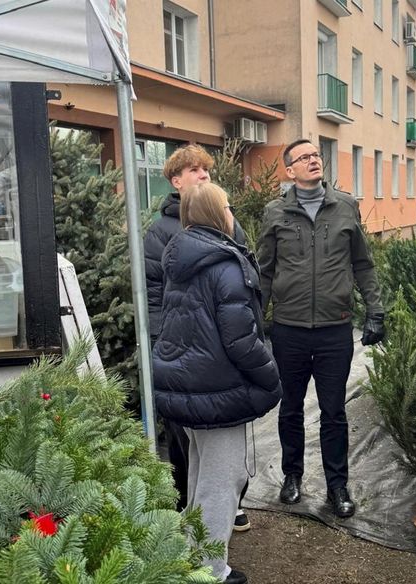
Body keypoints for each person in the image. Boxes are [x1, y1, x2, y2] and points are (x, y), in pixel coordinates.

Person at [152, 183, 282, 584]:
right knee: (222, 481)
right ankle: (210, 571)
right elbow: (241, 340)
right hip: (217, 392)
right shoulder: (225, 264)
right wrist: (270, 378)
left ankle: (193, 554)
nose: (232, 211)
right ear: (216, 212)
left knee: (199, 475)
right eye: (228, 205)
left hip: (185, 387)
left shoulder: (180, 256)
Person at [257, 139, 385, 519]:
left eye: (316, 155)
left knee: (333, 412)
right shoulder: (275, 212)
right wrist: (254, 319)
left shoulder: (345, 206)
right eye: (304, 157)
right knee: (290, 408)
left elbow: (363, 264)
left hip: (334, 329)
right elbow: (265, 270)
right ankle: (291, 476)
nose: (314, 160)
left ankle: (337, 485)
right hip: (289, 329)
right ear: (289, 170)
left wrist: (375, 310)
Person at [143, 144, 250, 531]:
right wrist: (164, 344)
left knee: (222, 440)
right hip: (182, 351)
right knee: (185, 439)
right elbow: (153, 294)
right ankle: (190, 513)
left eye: (206, 170)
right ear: (176, 180)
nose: (204, 175)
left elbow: (243, 281)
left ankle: (227, 507)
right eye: (194, 171)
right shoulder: (160, 232)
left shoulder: (229, 221)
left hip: (222, 353)